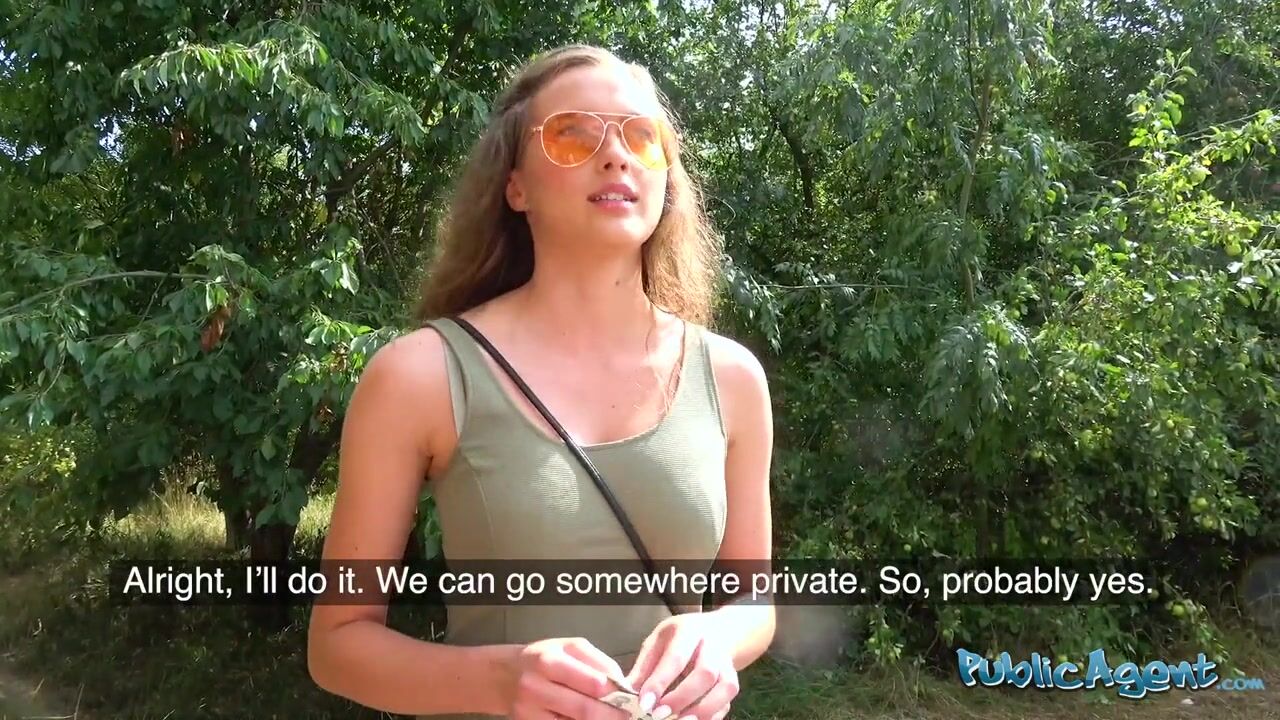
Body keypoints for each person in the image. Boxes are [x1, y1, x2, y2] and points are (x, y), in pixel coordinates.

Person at [307, 43, 775, 720]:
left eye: (642, 137)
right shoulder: (420, 375)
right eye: (572, 135)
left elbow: (753, 602)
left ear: (666, 179)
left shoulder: (732, 379)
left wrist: (718, 638)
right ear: (516, 186)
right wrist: (497, 681)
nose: (615, 155)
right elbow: (337, 644)